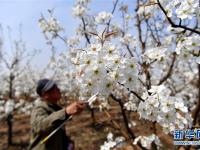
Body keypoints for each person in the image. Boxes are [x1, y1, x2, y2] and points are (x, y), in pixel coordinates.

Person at [29, 79, 85, 150]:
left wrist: (67, 143)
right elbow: (40, 126)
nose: (58, 89)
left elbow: (58, 132)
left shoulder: (55, 108)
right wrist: (66, 112)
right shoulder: (39, 107)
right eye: (54, 88)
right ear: (45, 94)